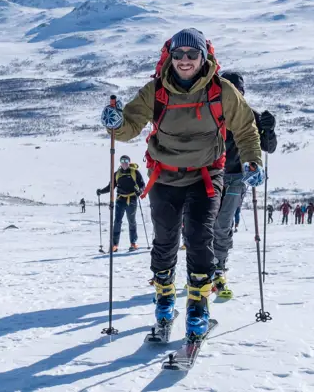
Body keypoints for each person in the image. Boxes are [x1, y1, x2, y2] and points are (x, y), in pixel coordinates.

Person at [101, 28, 264, 341]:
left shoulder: (222, 90)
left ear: (204, 57)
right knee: (164, 241)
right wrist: (116, 124)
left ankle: (198, 306)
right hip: (165, 175)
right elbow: (131, 125)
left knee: (200, 237)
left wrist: (252, 161)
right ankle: (164, 301)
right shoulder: (156, 90)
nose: (185, 60)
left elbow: (245, 129)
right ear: (170, 57)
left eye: (192, 54)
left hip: (206, 175)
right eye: (179, 54)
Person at [207, 71, 278, 299]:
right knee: (205, 224)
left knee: (223, 223)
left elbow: (268, 147)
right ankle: (203, 270)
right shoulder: (211, 113)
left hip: (236, 176)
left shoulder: (251, 116)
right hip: (209, 175)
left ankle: (218, 268)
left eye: (239, 92)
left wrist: (269, 129)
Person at [97, 155, 146, 252]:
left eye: (126, 160)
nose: (124, 162)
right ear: (120, 162)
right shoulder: (117, 174)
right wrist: (101, 191)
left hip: (131, 199)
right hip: (120, 199)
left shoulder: (134, 172)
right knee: (117, 222)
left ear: (129, 161)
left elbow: (142, 185)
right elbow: (110, 187)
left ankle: (133, 243)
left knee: (131, 221)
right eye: (122, 160)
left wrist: (139, 191)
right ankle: (114, 245)